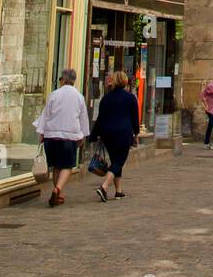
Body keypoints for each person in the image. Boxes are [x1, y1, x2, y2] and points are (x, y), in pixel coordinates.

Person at [34, 68, 90, 208]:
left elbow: (46, 114)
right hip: (69, 135)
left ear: (63, 79)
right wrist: (83, 134)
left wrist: (41, 132)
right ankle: (58, 189)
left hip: (51, 134)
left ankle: (59, 193)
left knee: (56, 166)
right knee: (68, 165)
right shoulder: (79, 97)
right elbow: (83, 118)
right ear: (74, 80)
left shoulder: (54, 94)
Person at [90, 69, 139, 201]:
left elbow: (100, 119)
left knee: (116, 160)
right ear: (124, 81)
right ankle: (104, 187)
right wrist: (136, 133)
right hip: (123, 134)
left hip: (108, 135)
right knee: (119, 162)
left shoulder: (106, 98)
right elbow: (135, 118)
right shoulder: (130, 98)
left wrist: (94, 135)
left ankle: (118, 191)